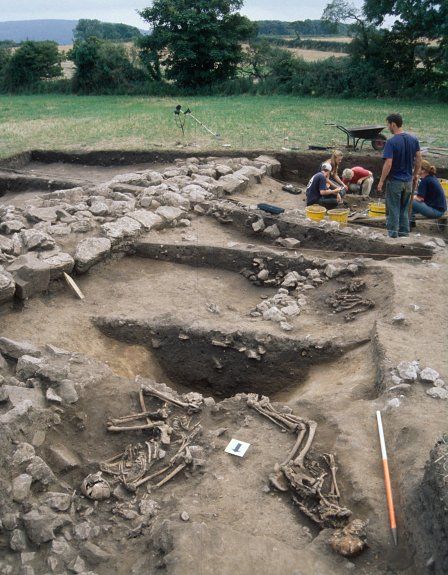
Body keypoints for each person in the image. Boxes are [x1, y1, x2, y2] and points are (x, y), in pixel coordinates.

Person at [377, 113, 421, 238]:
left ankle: (392, 236)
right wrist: (415, 174)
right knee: (404, 209)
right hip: (408, 182)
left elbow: (388, 163)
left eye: (388, 124)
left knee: (393, 208)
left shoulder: (391, 142)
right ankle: (404, 234)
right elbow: (419, 159)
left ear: (393, 124)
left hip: (395, 181)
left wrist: (381, 181)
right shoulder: (413, 139)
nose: (388, 127)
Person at [411, 160, 447, 226]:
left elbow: (420, 199)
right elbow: (419, 193)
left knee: (409, 200)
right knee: (412, 197)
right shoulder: (431, 177)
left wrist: (410, 197)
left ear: (423, 170)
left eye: (417, 167)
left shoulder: (425, 181)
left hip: (436, 212)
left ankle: (409, 222)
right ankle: (411, 221)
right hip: (440, 209)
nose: (414, 169)